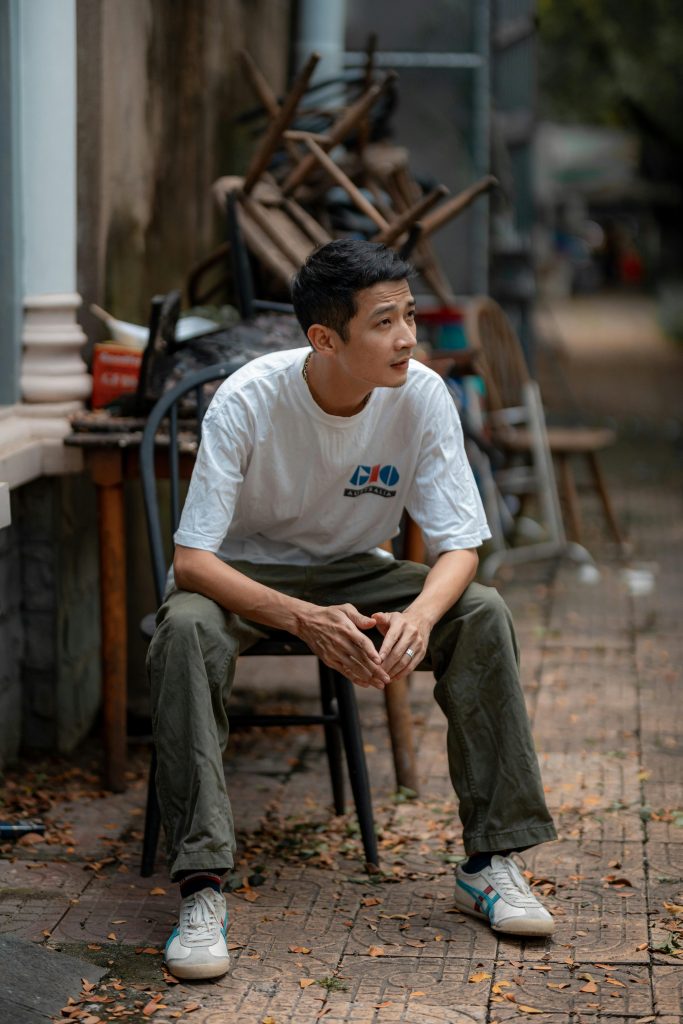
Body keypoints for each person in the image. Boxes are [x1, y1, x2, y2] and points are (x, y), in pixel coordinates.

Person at [148, 239, 558, 981]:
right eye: (383, 322)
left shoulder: (423, 393)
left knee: (482, 611)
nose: (406, 337)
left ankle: (490, 861)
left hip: (356, 571)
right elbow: (192, 561)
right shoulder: (247, 398)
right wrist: (303, 618)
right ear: (325, 338)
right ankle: (200, 886)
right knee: (181, 630)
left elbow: (460, 545)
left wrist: (421, 619)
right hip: (244, 574)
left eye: (407, 317)